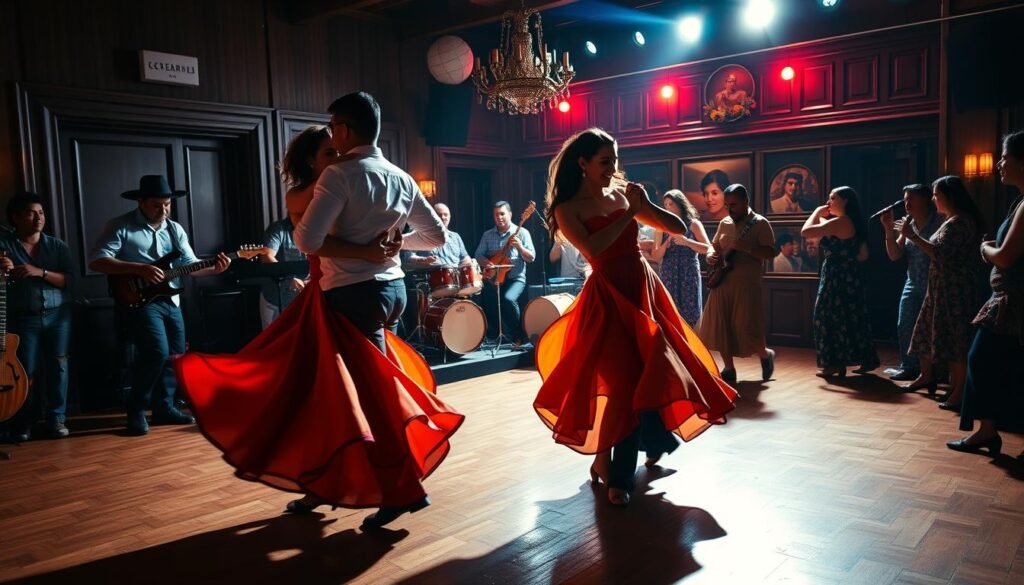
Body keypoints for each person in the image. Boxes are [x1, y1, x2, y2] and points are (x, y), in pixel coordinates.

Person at [176, 93, 464, 529]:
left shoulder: (341, 177)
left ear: (345, 130)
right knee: (327, 393)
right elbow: (437, 236)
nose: (332, 138)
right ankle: (324, 481)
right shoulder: (401, 177)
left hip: (351, 297)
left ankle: (403, 487)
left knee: (372, 397)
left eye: (334, 130)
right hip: (391, 291)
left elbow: (309, 242)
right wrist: (389, 248)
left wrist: (372, 252)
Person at [533, 128, 737, 507]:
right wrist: (628, 212)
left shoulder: (621, 194)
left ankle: (617, 461)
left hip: (642, 289)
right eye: (604, 162)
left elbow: (675, 227)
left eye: (614, 160)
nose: (613, 168)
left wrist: (646, 206)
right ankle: (619, 470)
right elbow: (593, 247)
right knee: (623, 382)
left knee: (652, 370)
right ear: (583, 164)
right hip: (608, 296)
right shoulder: (568, 208)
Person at [89, 175, 230, 436]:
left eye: (167, 204)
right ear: (140, 202)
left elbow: (191, 266)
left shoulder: (175, 229)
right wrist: (139, 269)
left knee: (176, 355)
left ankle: (164, 408)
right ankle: (136, 410)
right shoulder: (121, 226)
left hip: (171, 300)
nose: (163, 210)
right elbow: (97, 261)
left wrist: (215, 269)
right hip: (139, 300)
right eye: (156, 205)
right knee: (156, 352)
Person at [949, 130, 1024, 457]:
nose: (999, 164)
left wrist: (986, 249)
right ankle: (987, 431)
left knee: (982, 359)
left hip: (1014, 301)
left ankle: (987, 432)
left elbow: (1007, 256)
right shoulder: (1019, 201)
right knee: (1001, 365)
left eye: (1005, 157)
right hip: (1007, 300)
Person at [902, 176, 987, 408]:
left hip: (955, 290)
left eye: (936, 195)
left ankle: (959, 391)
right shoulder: (951, 220)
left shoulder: (960, 222)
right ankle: (934, 378)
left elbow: (940, 253)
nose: (933, 199)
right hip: (942, 288)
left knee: (956, 340)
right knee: (927, 333)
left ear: (949, 197)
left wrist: (912, 236)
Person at [0, 192, 73, 441]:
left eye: (41, 213)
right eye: (32, 213)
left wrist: (39, 272)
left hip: (58, 317)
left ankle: (56, 419)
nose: (38, 218)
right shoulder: (4, 245)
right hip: (23, 318)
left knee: (58, 367)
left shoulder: (57, 246)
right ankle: (23, 423)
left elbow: (69, 281)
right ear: (16, 217)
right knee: (24, 371)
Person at [698, 184, 776, 384]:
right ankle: (729, 368)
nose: (729, 210)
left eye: (734, 205)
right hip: (722, 281)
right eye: (727, 205)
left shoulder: (760, 223)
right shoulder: (724, 222)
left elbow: (770, 253)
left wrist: (747, 248)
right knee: (721, 325)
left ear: (746, 202)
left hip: (746, 285)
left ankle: (765, 355)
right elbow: (713, 247)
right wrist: (710, 256)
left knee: (746, 328)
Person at [802, 186, 880, 377]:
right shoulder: (852, 222)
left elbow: (806, 231)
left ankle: (834, 363)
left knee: (825, 317)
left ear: (845, 201)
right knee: (851, 317)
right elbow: (863, 255)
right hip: (850, 276)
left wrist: (817, 212)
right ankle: (864, 359)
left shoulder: (840, 222)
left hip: (836, 276)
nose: (828, 202)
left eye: (833, 198)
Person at [879, 184, 941, 381]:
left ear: (926, 199)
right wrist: (889, 230)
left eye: (912, 199)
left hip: (935, 283)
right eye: (905, 199)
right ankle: (909, 367)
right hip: (912, 282)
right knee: (904, 324)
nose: (907, 203)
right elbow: (895, 255)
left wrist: (910, 234)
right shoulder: (909, 223)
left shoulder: (939, 222)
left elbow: (940, 253)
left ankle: (937, 371)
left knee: (934, 328)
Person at [475, 201, 536, 345]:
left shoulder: (522, 233)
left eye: (502, 214)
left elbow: (531, 258)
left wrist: (520, 247)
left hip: (516, 278)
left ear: (510, 214)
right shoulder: (488, 235)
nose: (499, 217)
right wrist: (487, 263)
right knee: (484, 297)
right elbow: (478, 255)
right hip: (494, 278)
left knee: (508, 299)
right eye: (496, 215)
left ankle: (518, 335)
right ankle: (494, 334)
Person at [650, 189, 711, 327]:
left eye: (671, 204)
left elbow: (708, 248)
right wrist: (667, 243)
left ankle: (692, 345)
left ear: (680, 204)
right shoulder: (661, 227)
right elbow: (656, 256)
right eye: (665, 205)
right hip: (668, 274)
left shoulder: (693, 224)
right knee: (669, 312)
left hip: (688, 274)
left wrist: (686, 242)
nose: (667, 208)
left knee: (691, 312)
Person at [404, 202, 471, 267]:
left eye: (446, 214)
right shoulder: (419, 234)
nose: (443, 217)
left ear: (450, 217)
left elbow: (464, 258)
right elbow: (408, 256)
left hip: (455, 276)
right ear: (432, 216)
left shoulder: (456, 236)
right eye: (438, 214)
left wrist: (470, 262)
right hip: (430, 276)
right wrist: (424, 260)